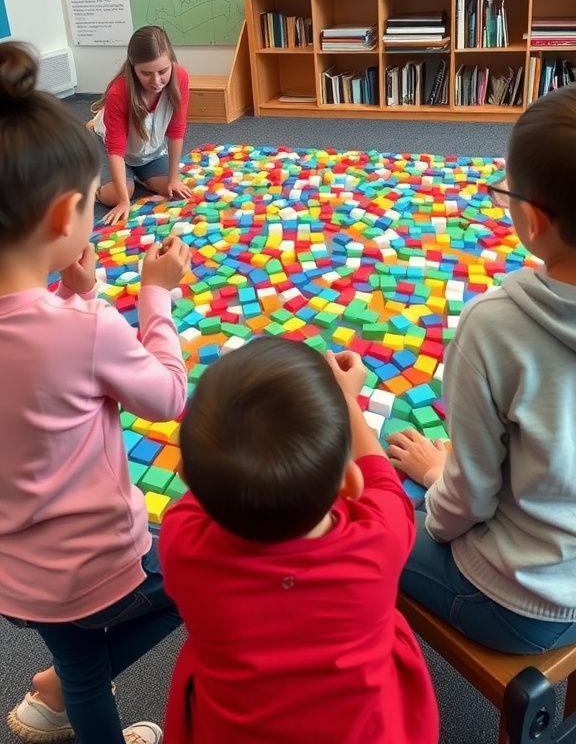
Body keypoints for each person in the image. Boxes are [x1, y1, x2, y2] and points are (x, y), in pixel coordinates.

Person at [0, 40, 191, 744]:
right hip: (100, 564)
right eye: (89, 204)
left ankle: (54, 694)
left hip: (15, 581)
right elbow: (168, 396)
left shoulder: (71, 320)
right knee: (205, 566)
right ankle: (64, 689)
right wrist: (152, 296)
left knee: (79, 671)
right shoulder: (84, 328)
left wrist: (77, 298)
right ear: (62, 219)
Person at [158, 338, 439, 744]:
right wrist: (345, 397)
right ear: (348, 484)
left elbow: (197, 485)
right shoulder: (379, 538)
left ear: (187, 475)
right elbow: (380, 475)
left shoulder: (182, 547)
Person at [386, 83, 576, 655]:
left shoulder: (493, 324)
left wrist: (433, 483)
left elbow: (466, 505)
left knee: (362, 529)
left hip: (522, 602)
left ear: (534, 220)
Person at [90, 25, 192, 225]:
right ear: (132, 67)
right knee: (122, 194)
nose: (156, 81)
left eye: (163, 71)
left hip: (146, 148)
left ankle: (140, 176)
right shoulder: (118, 92)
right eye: (146, 73)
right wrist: (123, 200)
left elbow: (176, 130)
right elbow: (116, 149)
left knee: (173, 190)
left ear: (172, 61)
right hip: (110, 145)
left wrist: (173, 178)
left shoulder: (180, 77)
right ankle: (92, 183)